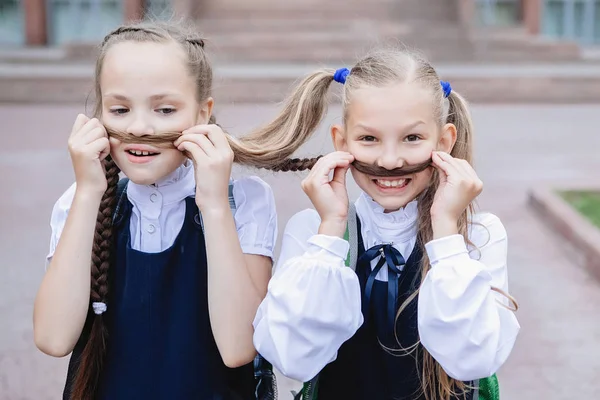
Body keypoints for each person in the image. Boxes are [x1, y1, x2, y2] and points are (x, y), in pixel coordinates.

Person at [33, 20, 315, 400]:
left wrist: (213, 202)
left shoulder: (242, 200)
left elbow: (238, 349)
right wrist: (88, 192)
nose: (141, 127)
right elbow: (53, 338)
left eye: (165, 110)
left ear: (202, 113)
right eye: (119, 109)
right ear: (98, 113)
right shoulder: (81, 200)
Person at [252, 48, 521, 399]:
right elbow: (294, 359)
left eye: (412, 138)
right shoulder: (312, 231)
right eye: (369, 138)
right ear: (341, 142)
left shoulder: (478, 236)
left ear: (444, 142)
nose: (390, 161)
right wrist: (331, 231)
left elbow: (471, 361)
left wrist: (445, 233)